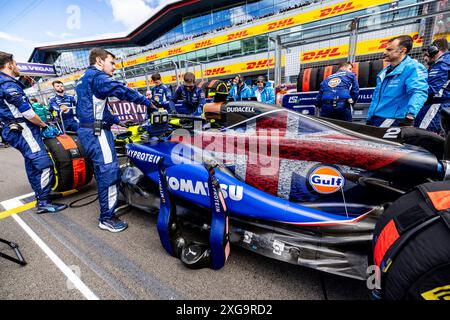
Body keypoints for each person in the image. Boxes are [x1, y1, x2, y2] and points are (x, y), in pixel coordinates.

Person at [75, 48, 154, 233]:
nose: (114, 67)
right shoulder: (98, 77)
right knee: (109, 171)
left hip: (93, 130)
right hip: (97, 133)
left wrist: (119, 121)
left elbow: (94, 109)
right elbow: (122, 90)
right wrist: (147, 103)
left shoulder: (84, 78)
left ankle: (110, 200)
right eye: (112, 62)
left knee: (105, 169)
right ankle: (106, 217)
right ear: (100, 61)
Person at [0, 51, 67, 213]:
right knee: (43, 164)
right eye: (15, 63)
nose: (17, 66)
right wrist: (44, 125)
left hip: (14, 129)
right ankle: (43, 201)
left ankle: (42, 193)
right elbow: (28, 113)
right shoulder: (8, 84)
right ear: (9, 65)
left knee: (31, 163)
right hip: (23, 129)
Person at [366, 35, 429, 127]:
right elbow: (377, 97)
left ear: (402, 50)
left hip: (392, 121)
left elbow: (419, 92)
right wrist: (370, 117)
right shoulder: (386, 70)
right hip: (375, 119)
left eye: (389, 50)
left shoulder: (413, 67)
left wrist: (410, 116)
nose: (384, 52)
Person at [415, 38, 450, 134]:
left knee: (421, 136)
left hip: (436, 106)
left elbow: (430, 88)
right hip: (443, 106)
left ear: (435, 49)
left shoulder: (443, 62)